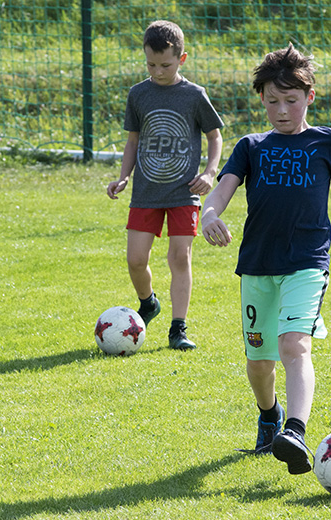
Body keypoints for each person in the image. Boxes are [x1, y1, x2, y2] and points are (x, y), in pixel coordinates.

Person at [200, 44, 331, 474]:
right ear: (262, 99)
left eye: (291, 100)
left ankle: (295, 431)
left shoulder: (327, 143)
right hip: (257, 266)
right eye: (273, 101)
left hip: (307, 263)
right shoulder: (251, 146)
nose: (282, 111)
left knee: (294, 345)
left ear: (310, 97)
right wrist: (209, 215)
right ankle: (270, 414)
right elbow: (222, 189)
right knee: (259, 363)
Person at [107, 20, 224, 350]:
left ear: (181, 59)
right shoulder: (138, 94)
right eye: (151, 65)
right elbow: (133, 141)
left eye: (166, 65)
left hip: (184, 192)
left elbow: (214, 136)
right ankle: (148, 303)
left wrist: (209, 172)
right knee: (135, 260)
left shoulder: (194, 95)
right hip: (146, 192)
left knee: (179, 257)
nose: (158, 72)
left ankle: (178, 329)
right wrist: (124, 176)